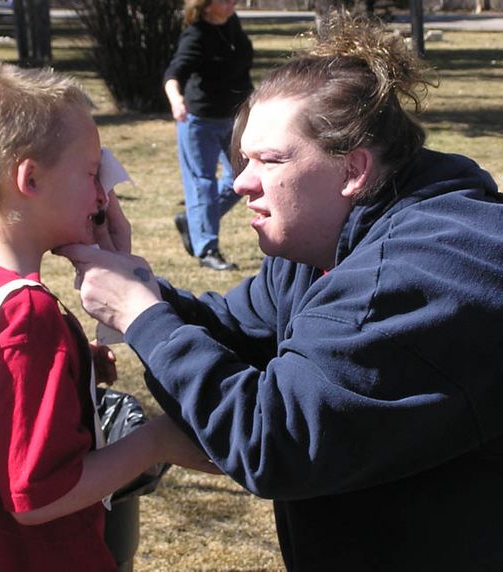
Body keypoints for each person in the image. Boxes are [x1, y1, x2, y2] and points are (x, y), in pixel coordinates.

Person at [58, 12, 503, 571]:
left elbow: (273, 440)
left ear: (354, 170)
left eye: (270, 161)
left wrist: (143, 318)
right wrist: (135, 285)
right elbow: (233, 337)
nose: (242, 182)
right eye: (244, 158)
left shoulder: (414, 276)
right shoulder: (318, 248)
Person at [0, 62, 216, 572]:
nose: (101, 196)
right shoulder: (27, 315)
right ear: (31, 178)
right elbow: (38, 497)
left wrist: (72, 368)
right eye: (92, 174)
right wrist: (156, 441)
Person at [164, 0, 253, 271]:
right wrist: (175, 100)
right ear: (205, 5)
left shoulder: (232, 24)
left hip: (233, 116)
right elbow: (174, 72)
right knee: (202, 182)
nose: (231, 3)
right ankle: (207, 250)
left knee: (242, 176)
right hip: (199, 119)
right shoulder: (196, 34)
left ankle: (194, 221)